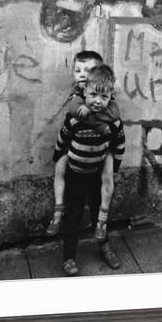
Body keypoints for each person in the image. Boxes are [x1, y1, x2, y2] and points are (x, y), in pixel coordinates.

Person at [52, 65, 126, 276]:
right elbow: (63, 136)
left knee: (99, 214)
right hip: (75, 174)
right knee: (72, 216)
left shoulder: (113, 123)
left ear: (111, 96)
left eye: (103, 96)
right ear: (84, 91)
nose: (97, 101)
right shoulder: (75, 118)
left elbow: (119, 144)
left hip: (97, 176)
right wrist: (58, 155)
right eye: (93, 94)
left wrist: (116, 166)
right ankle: (69, 257)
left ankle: (104, 248)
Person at [45, 51, 121, 242]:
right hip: (77, 155)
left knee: (106, 179)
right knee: (61, 171)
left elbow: (114, 116)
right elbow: (72, 115)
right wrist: (99, 125)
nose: (81, 74)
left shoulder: (105, 98)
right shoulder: (76, 97)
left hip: (101, 155)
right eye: (77, 70)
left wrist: (99, 122)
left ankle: (103, 235)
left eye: (87, 71)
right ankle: (58, 211)